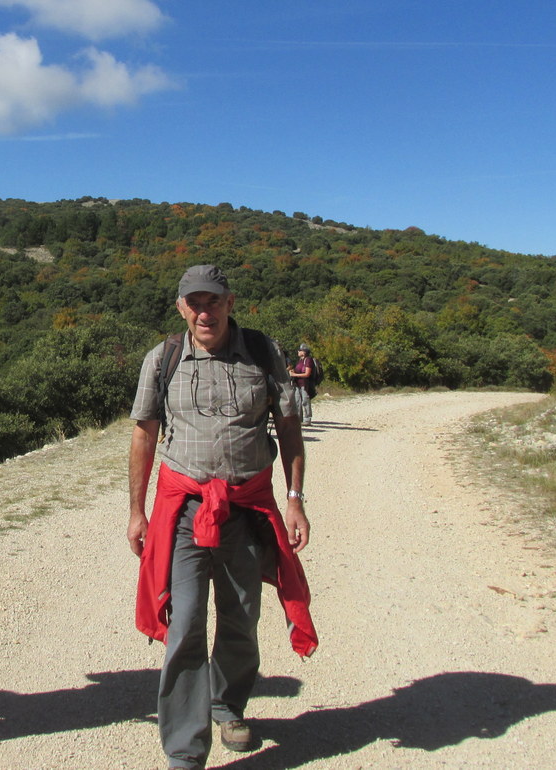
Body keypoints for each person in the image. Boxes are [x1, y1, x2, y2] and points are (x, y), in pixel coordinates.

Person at [127, 265, 318, 770]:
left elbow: (289, 426)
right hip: (185, 509)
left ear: (231, 303)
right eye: (194, 302)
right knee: (185, 620)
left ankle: (227, 704)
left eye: (213, 301)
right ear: (180, 307)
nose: (204, 311)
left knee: (241, 617)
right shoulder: (163, 359)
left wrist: (295, 497)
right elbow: (144, 434)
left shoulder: (262, 352)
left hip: (245, 509)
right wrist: (136, 511)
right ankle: (186, 749)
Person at [289, 343, 315, 426]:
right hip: (297, 384)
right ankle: (298, 419)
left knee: (305, 401)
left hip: (305, 385)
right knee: (297, 402)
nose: (298, 351)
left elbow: (307, 374)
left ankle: (307, 419)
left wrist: (294, 375)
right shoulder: (300, 360)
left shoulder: (308, 360)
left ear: (304, 352)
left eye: (300, 350)